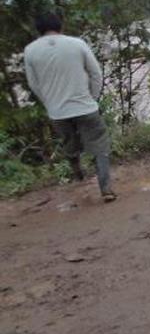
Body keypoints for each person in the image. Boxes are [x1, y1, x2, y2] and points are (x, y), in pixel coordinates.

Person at [23, 12, 116, 202]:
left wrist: (49, 102)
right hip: (85, 107)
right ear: (60, 25)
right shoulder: (77, 44)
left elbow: (33, 84)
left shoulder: (30, 51)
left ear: (38, 29)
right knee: (100, 145)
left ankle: (78, 175)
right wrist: (93, 98)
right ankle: (106, 188)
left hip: (57, 111)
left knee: (69, 143)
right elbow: (95, 74)